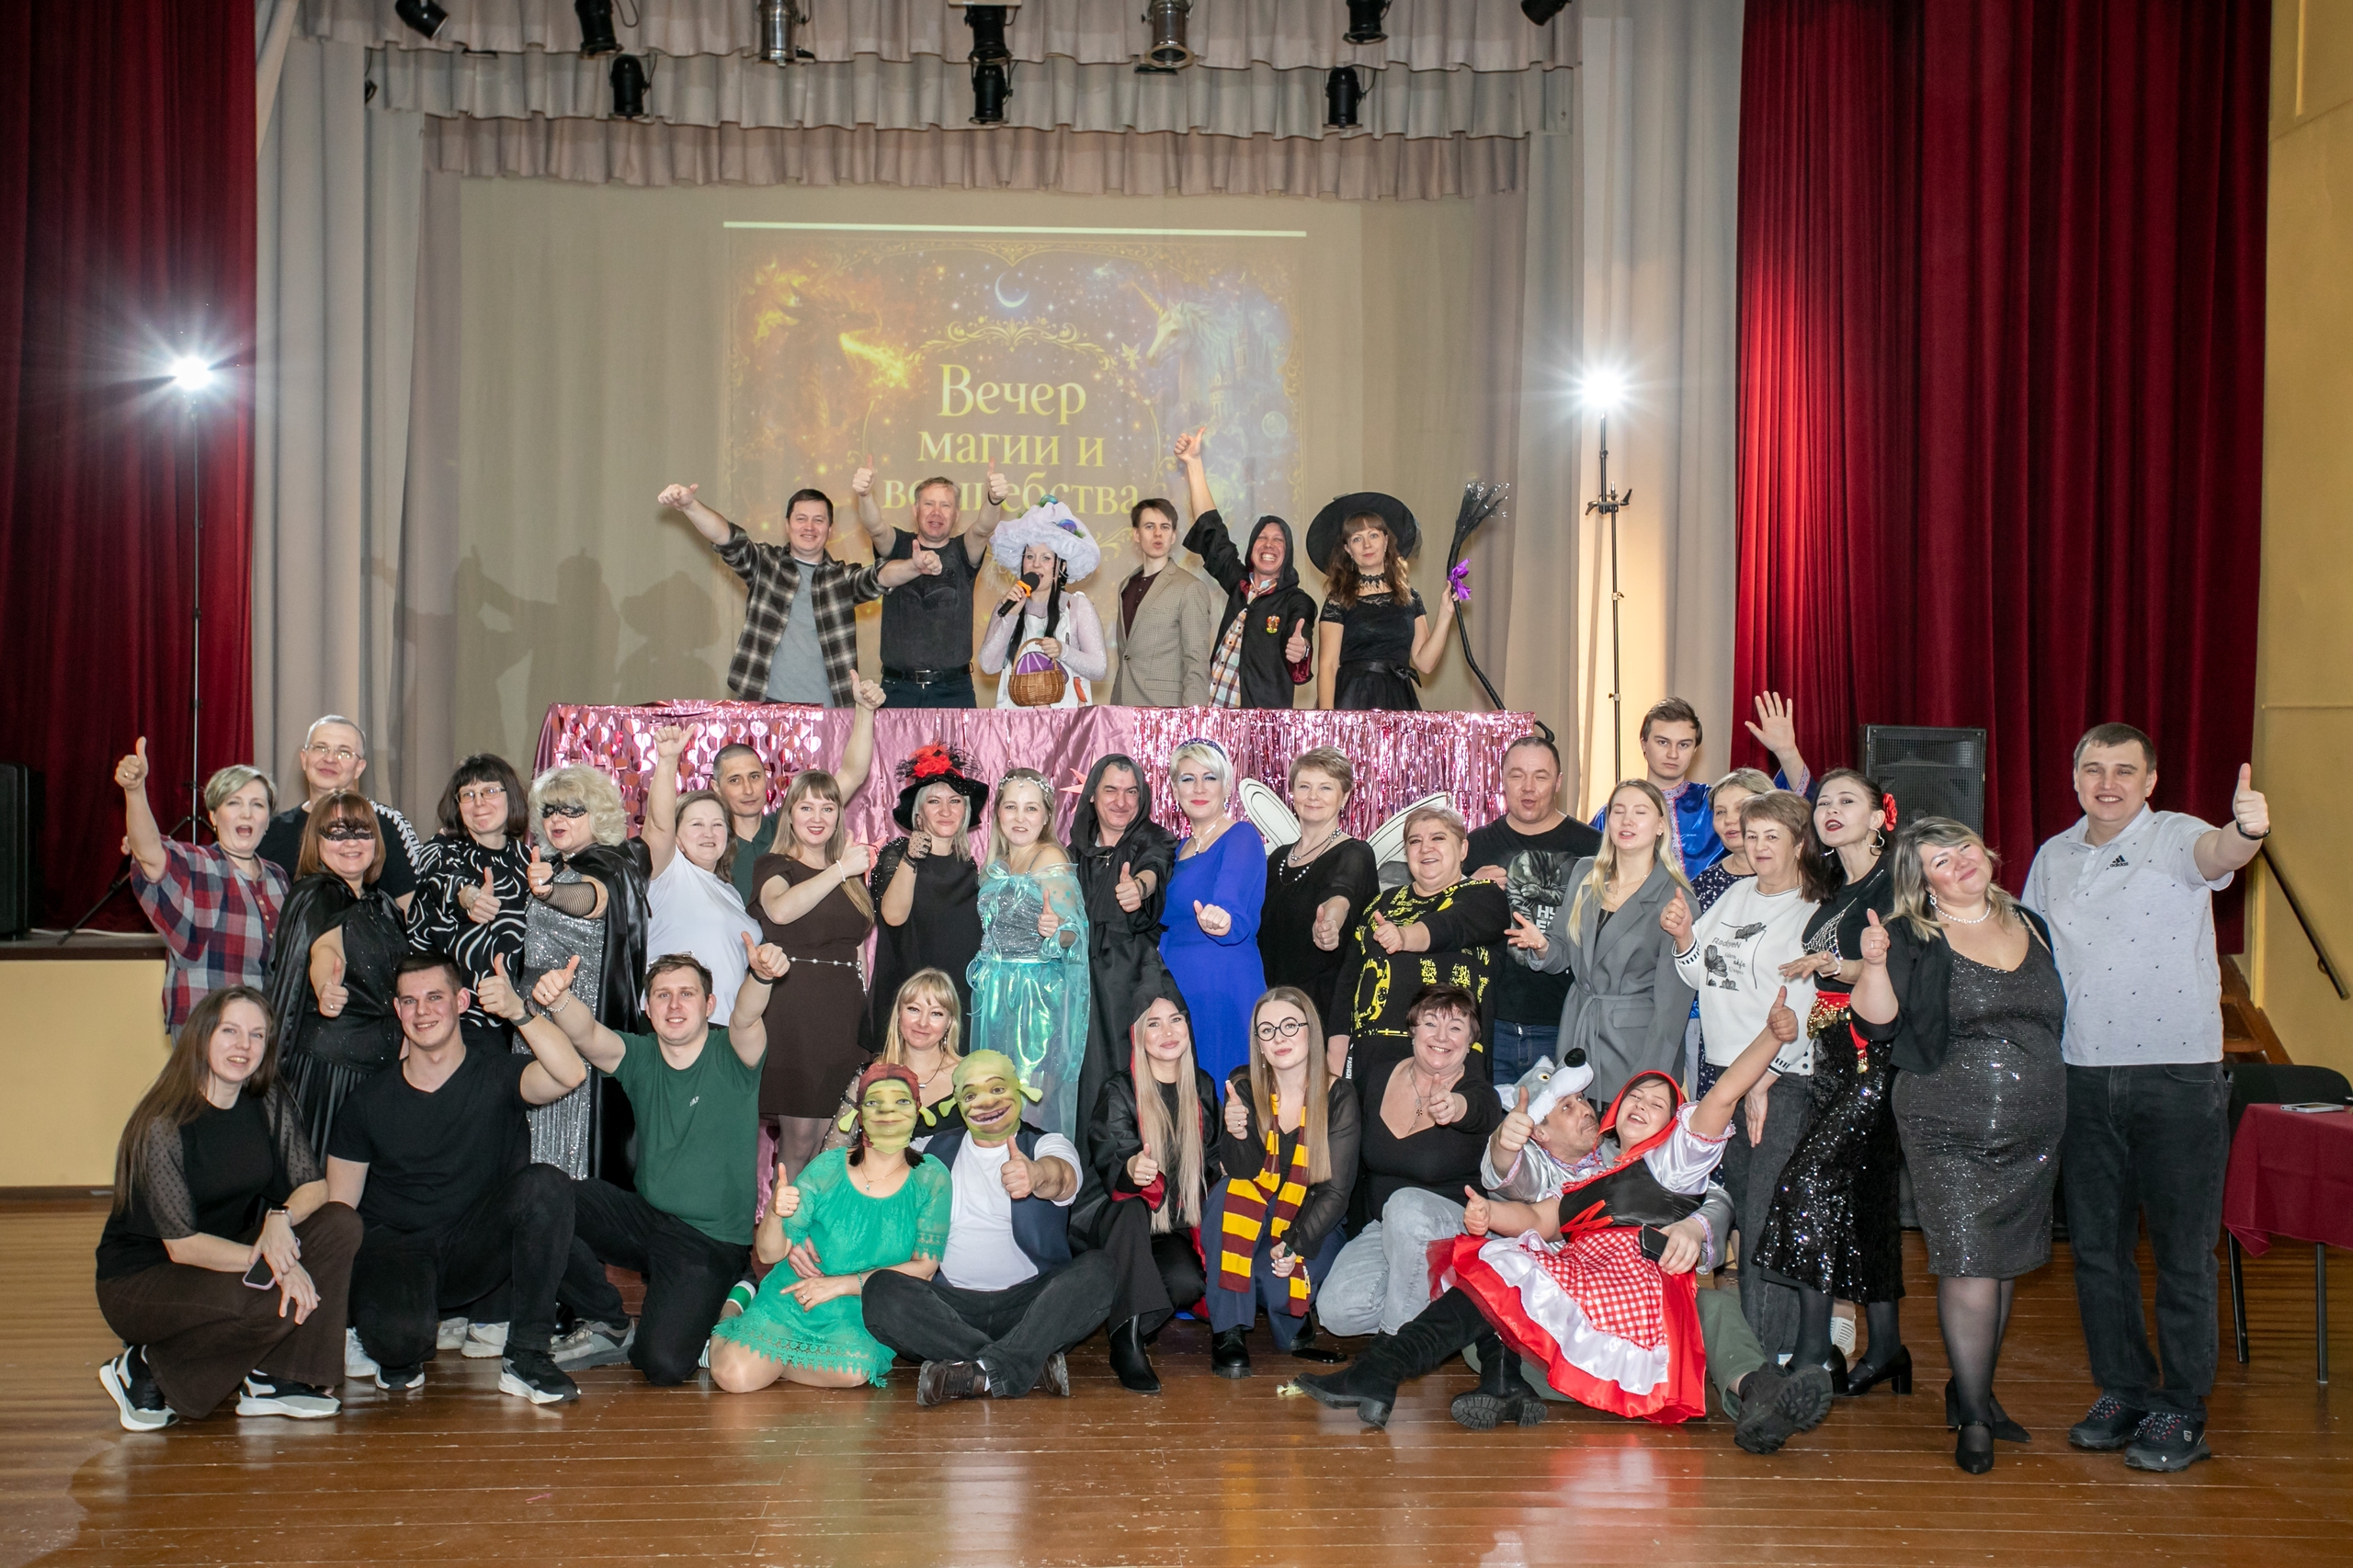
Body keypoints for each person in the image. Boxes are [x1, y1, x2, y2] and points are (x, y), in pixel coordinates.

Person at [1296, 990, 1802, 1431]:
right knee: (1498, 1267)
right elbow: (1539, 1217)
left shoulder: (1675, 1161)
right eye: (1635, 1095)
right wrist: (1488, 1215)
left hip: (1633, 1289)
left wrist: (1770, 1038)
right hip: (1587, 1288)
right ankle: (1419, 1376)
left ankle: (1397, 1373)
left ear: (1676, 1126)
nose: (1642, 1104)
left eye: (1658, 1104)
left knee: (1508, 1277)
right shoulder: (1589, 1182)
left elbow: (1723, 1097)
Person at [2022, 725, 2268, 1473]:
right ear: (2074, 777)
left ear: (2150, 780)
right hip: (2081, 1073)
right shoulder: (2053, 856)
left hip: (2177, 1076)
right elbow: (2030, 950)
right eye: (2094, 769)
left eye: (2124, 770)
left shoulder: (2176, 836)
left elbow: (2218, 855)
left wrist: (2246, 832)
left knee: (2182, 1254)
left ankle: (2182, 1406)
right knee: (2098, 1252)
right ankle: (2124, 1390)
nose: (2108, 783)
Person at [1475, 1056, 1836, 1452]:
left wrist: (1693, 1228)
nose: (1584, 1109)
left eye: (1582, 1099)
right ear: (1539, 1133)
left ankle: (1759, 1392)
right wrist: (1504, 1145)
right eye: (1566, 1106)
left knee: (1712, 1306)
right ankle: (1570, 1386)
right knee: (1489, 1322)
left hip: (1646, 1299)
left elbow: (1713, 1196)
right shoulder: (1537, 1168)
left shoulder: (1634, 1148)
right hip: (1569, 1315)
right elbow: (1508, 1177)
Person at [1858, 817, 2068, 1474]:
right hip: (1947, 1123)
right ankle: (1975, 1419)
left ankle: (1973, 1392)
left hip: (2034, 1127)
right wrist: (1872, 965)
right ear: (1923, 884)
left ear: (1985, 850)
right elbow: (1878, 1023)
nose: (1959, 864)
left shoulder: (2031, 922)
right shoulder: (1909, 934)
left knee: (2003, 1264)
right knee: (1971, 1262)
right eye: (1939, 862)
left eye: (1963, 849)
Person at [491, 942, 791, 1385]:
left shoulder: (734, 1054)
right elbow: (588, 1035)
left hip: (709, 1244)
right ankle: (608, 1319)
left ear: (709, 1005)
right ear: (648, 1009)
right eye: (662, 995)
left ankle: (738, 1284)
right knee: (542, 1201)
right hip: (647, 1218)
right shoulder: (641, 1055)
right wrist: (559, 1000)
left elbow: (746, 1016)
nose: (674, 1005)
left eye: (687, 994)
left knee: (662, 1365)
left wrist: (761, 976)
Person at [327, 952, 597, 1404]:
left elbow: (570, 1073)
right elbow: (340, 1210)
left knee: (546, 1184)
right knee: (398, 1348)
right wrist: (339, 1315)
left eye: (435, 997)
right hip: (396, 1251)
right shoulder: (367, 1100)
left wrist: (518, 1012)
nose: (422, 1011)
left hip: (470, 1250)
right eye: (410, 1001)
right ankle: (389, 1331)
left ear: (461, 1002)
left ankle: (527, 1356)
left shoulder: (494, 1073)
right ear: (398, 1010)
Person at [95, 987, 361, 1429]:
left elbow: (315, 1187)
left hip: (224, 1257)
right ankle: (144, 1370)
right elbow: (182, 1247)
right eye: (230, 1031)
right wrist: (279, 1263)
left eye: (257, 1035)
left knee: (340, 1224)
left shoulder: (266, 1100)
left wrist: (280, 1220)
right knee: (266, 1289)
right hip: (143, 1280)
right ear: (202, 1036)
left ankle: (275, 1378)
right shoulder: (162, 1124)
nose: (244, 1045)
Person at [1753, 769, 1906, 1397]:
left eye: (1848, 801)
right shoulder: (1837, 885)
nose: (1831, 810)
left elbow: (1908, 964)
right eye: (1823, 802)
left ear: (1879, 816)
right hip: (1832, 1058)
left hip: (1876, 1059)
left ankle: (1816, 1352)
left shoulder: (1897, 881)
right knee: (1865, 1202)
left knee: (1806, 1185)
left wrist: (1836, 964)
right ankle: (1888, 1347)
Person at [1668, 788, 1828, 1359]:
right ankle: (1750, 1344)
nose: (1758, 847)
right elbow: (1697, 976)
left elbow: (1812, 1008)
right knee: (1736, 1205)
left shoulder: (1814, 909)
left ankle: (1772, 1353)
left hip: (1779, 1080)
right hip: (1723, 1073)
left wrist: (1766, 1077)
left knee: (1765, 1212)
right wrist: (1684, 936)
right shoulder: (1736, 894)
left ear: (1799, 843)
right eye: (1752, 835)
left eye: (1771, 837)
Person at [859, 1050, 1117, 1403]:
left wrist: (1035, 1174)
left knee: (1100, 1269)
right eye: (970, 1094)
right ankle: (1020, 1364)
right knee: (881, 1290)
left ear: (1019, 1090)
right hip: (950, 1311)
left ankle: (980, 1369)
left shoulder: (1048, 1144)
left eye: (997, 1089)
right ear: (957, 1103)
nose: (985, 1102)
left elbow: (1062, 1178)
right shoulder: (929, 1150)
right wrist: (809, 1223)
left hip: (1031, 1307)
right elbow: (867, 1178)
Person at [709, 1063, 953, 1392]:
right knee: (733, 1377)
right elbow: (768, 1254)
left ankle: (767, 1359)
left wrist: (840, 1285)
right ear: (860, 1114)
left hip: (862, 1307)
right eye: (874, 1103)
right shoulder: (827, 1168)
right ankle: (732, 1312)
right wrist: (775, 1214)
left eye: (901, 1102)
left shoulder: (931, 1176)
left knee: (853, 1371)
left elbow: (925, 1268)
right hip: (798, 1294)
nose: (888, 1113)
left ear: (917, 1110)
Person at [1317, 984, 1506, 1338]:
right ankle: (1445, 1307)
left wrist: (1454, 1106)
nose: (1441, 1037)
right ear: (1412, 1030)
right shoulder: (1378, 1078)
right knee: (1336, 1312)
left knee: (1406, 1205)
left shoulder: (1478, 1092)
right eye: (1431, 1023)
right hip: (1385, 1227)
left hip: (1456, 1230)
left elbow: (1479, 1110)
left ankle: (1395, 1348)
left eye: (1456, 1027)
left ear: (1470, 1041)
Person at [1505, 779, 1698, 1105]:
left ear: (1661, 826)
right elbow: (1563, 953)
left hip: (1633, 1051)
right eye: (1618, 811)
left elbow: (1672, 1011)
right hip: (1577, 1034)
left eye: (1640, 812)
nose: (1627, 820)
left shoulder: (1676, 900)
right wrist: (1542, 946)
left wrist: (1650, 1081)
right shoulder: (1585, 873)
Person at [1072, 971, 1221, 1393]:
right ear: (1138, 1035)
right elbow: (1110, 1157)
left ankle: (1120, 1316)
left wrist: (1237, 1141)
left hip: (1166, 1228)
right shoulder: (1119, 1089)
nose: (1167, 1032)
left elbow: (1210, 1164)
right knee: (1132, 1205)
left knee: (1188, 1282)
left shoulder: (1202, 1087)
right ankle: (1128, 1344)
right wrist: (1132, 1168)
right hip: (1113, 1222)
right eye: (1153, 1024)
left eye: (1175, 1020)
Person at [1206, 986, 1359, 1378]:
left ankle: (1292, 1320)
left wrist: (1294, 1243)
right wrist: (1236, 1133)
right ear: (1258, 1043)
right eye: (1267, 1030)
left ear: (1311, 1031)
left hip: (1312, 1217)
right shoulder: (1243, 1086)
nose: (1279, 1037)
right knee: (1225, 1194)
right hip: (1256, 1211)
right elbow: (1240, 1171)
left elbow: (1335, 1193)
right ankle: (1228, 1332)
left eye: (1290, 1025)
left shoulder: (1339, 1096)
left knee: (1271, 1284)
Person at [522, 764, 653, 1181]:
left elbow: (592, 899)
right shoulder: (556, 865)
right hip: (537, 1020)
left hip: (577, 1021)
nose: (557, 819)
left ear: (598, 814)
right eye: (550, 810)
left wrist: (549, 893)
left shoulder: (606, 865)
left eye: (572, 810)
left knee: (575, 1146)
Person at [267, 793, 412, 1159]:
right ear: (316, 841)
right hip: (332, 1073)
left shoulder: (383, 905)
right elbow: (326, 947)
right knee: (321, 1180)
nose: (351, 842)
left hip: (382, 1070)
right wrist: (326, 987)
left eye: (362, 832)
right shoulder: (318, 893)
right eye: (336, 832)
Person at [754, 765, 879, 1186]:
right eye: (806, 807)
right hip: (797, 1009)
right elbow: (780, 910)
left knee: (836, 1141)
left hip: (846, 1014)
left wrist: (867, 1011)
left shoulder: (850, 875)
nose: (817, 816)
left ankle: (816, 1224)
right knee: (801, 1140)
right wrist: (840, 870)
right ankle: (780, 1223)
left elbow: (857, 946)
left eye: (828, 807)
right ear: (789, 814)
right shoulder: (775, 865)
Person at [657, 481, 883, 707]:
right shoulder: (766, 563)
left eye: (818, 520)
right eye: (801, 518)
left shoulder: (843, 578)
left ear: (830, 529)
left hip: (827, 709)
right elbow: (727, 538)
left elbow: (881, 577)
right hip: (762, 703)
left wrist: (905, 561)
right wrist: (690, 505)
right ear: (787, 525)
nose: (809, 527)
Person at [1328, 804, 1511, 1078]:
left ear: (1462, 849)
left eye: (1438, 838)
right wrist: (1336, 1055)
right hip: (1372, 1060)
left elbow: (1448, 927)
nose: (1426, 848)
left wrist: (1404, 936)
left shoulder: (1484, 895)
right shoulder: (1382, 903)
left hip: (1449, 1062)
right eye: (1415, 841)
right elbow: (1348, 982)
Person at [117, 740, 287, 1028]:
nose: (246, 813)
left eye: (257, 805)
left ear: (268, 820)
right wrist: (135, 791)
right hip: (203, 1026)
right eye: (233, 802)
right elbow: (148, 852)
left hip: (261, 1028)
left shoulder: (278, 878)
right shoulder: (195, 863)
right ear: (213, 816)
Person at [1467, 734, 1602, 1082]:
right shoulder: (1474, 845)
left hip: (1564, 1023)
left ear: (1558, 782)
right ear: (1502, 780)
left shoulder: (1593, 847)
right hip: (1489, 1023)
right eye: (1517, 775)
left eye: (1540, 776)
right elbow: (1442, 920)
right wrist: (1466, 888)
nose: (1528, 787)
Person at [1068, 755, 1180, 1169]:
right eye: (1111, 790)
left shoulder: (1152, 839)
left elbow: (1154, 869)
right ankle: (1083, 1188)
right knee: (1083, 1088)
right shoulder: (1073, 853)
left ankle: (1139, 1185)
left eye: (1131, 791)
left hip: (1130, 987)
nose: (1121, 801)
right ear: (1092, 795)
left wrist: (1139, 888)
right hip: (1081, 991)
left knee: (1130, 1085)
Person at [967, 769, 1092, 1138]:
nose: (1020, 817)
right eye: (1011, 807)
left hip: (1033, 999)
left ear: (1046, 816)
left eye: (1031, 808)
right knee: (992, 1103)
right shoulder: (999, 863)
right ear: (998, 813)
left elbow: (1074, 931)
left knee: (1028, 1105)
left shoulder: (1048, 856)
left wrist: (1057, 930)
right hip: (994, 993)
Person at [1175, 430, 1317, 710]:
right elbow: (1211, 531)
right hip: (1213, 712)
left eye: (1278, 540)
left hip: (1259, 722)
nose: (1269, 544)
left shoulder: (1297, 601)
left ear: (1287, 552)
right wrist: (1193, 463)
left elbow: (1301, 632)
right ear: (1252, 548)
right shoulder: (1239, 584)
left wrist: (1302, 649)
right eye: (1262, 538)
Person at [854, 462, 1014, 709]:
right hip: (898, 689)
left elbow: (983, 529)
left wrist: (994, 500)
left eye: (945, 505)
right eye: (928, 504)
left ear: (957, 514)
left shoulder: (963, 550)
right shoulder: (897, 546)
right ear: (915, 510)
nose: (936, 512)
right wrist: (865, 495)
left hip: (954, 690)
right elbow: (875, 527)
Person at [864, 745, 988, 1053]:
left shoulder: (972, 869)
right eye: (934, 801)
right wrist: (911, 858)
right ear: (918, 816)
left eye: (955, 801)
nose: (946, 811)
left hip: (956, 1006)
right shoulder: (896, 854)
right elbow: (893, 916)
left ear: (965, 811)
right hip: (909, 1004)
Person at [1157, 740, 1267, 1083]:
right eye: (1188, 779)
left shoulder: (1241, 836)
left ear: (1226, 786)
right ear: (1175, 789)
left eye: (1210, 777)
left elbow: (1231, 896)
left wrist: (1223, 918)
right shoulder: (1175, 850)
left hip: (1222, 984)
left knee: (1224, 1092)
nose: (1199, 788)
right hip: (1175, 989)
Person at [407, 755, 533, 1054]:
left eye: (490, 791)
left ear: (511, 796)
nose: (479, 803)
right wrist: (470, 897)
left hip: (514, 1020)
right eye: (468, 795)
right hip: (454, 1019)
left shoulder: (527, 859)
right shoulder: (440, 849)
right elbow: (446, 881)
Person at [641, 727, 765, 1022]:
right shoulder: (668, 873)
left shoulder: (729, 892)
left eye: (717, 825)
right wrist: (667, 760)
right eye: (696, 824)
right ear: (677, 838)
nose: (708, 833)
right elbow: (658, 825)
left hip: (726, 1030)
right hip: (674, 1025)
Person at [1256, 747, 1381, 1031]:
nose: (1313, 796)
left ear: (1344, 797)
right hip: (1273, 1004)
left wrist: (1330, 925)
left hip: (1324, 1008)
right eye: (1304, 786)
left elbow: (1341, 896)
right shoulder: (1277, 858)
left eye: (1325, 787)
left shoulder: (1355, 853)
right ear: (1292, 793)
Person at [255, 715, 423, 911]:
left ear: (359, 768)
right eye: (320, 748)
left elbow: (416, 913)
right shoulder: (270, 831)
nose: (329, 759)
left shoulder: (387, 824)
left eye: (344, 752)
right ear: (304, 759)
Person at [1308, 494, 1448, 711]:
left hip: (1399, 701)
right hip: (1352, 701)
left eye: (1373, 535)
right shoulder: (1338, 599)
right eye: (1357, 539)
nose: (1367, 545)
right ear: (1348, 550)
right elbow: (1328, 665)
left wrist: (1446, 614)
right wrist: (1328, 720)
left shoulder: (1410, 598)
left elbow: (1425, 663)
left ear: (1386, 540)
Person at [977, 501, 1108, 708]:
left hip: (1065, 723)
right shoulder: (1007, 604)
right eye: (1029, 556)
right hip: (1017, 722)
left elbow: (1099, 668)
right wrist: (1011, 615)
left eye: (1046, 558)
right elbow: (988, 665)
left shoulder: (1077, 606)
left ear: (1061, 566)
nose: (1036, 564)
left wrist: (1063, 651)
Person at [826, 968, 970, 1150]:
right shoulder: (869, 1075)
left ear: (949, 1022)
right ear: (899, 1013)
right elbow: (833, 1149)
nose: (922, 1022)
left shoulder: (968, 1077)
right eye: (914, 1009)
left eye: (936, 1013)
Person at [1106, 494, 1217, 707]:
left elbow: (1196, 661)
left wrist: (1193, 718)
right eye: (1149, 526)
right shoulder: (1126, 585)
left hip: (1166, 710)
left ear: (1173, 535)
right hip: (1122, 708)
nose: (1158, 533)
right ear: (1136, 534)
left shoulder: (1189, 588)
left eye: (1165, 527)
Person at [712, 744, 781, 910]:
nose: (748, 790)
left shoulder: (787, 826)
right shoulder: (709, 845)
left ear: (766, 778)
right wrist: (667, 760)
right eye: (735, 780)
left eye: (754, 776)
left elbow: (843, 782)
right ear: (717, 788)